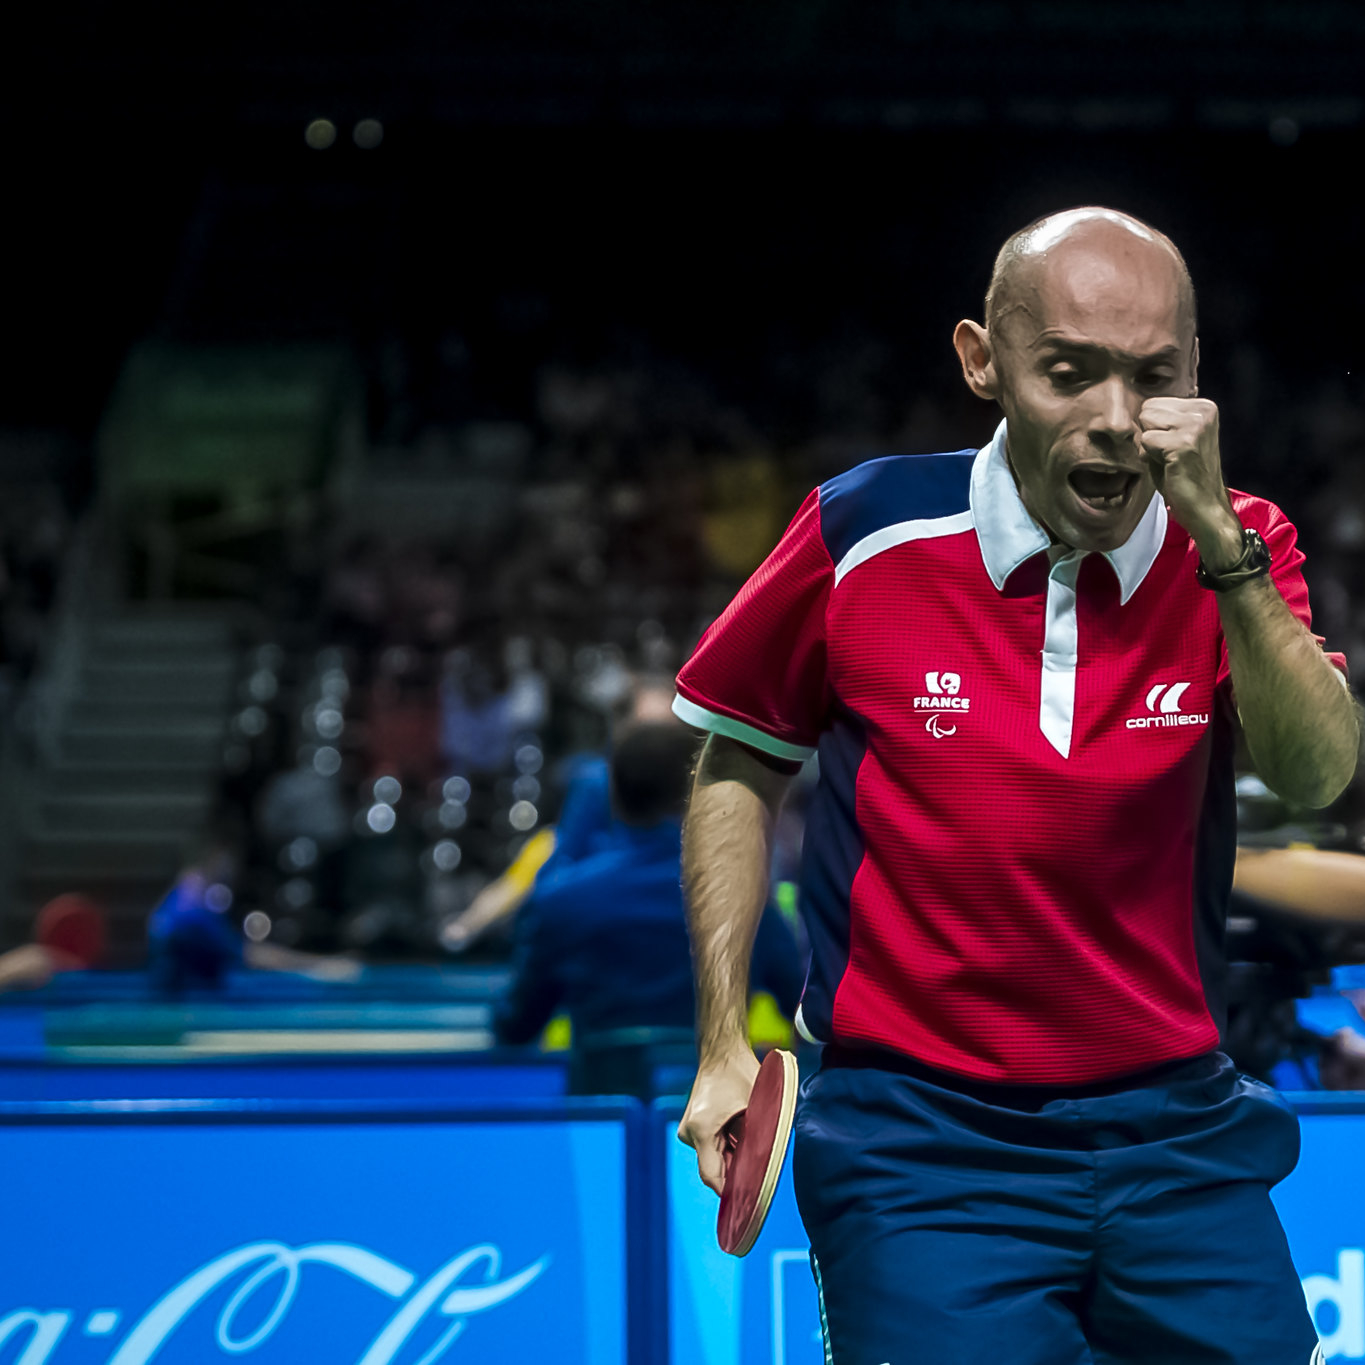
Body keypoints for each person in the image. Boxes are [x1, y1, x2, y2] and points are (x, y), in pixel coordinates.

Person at [672, 207, 1358, 1363]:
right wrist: (717, 1040)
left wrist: (1218, 544)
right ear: (981, 364)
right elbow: (739, 758)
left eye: (1151, 378)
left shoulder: (1242, 544)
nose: (1112, 420)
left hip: (1179, 1132)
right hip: (921, 1143)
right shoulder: (865, 531)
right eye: (1069, 374)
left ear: (1197, 377)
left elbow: (1318, 772)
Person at [491, 720, 805, 1090]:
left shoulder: (560, 902)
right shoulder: (746, 900)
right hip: (717, 1130)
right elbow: (804, 1012)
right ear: (696, 791)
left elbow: (514, 1027)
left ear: (614, 796)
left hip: (598, 1130)